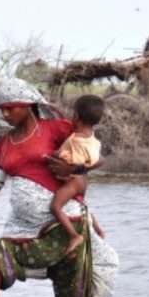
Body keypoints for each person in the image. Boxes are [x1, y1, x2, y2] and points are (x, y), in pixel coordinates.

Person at [0, 78, 118, 297]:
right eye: (2, 109)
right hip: (21, 227)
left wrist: (76, 169)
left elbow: (95, 155)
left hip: (64, 222)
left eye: (10, 107)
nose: (5, 113)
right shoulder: (3, 146)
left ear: (28, 106)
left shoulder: (56, 129)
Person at [48, 94, 106, 256]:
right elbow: (94, 158)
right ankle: (98, 229)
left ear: (76, 117)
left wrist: (53, 155)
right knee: (82, 204)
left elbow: (67, 157)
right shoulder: (92, 139)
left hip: (74, 182)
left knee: (55, 206)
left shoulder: (75, 140)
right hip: (83, 181)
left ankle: (74, 236)